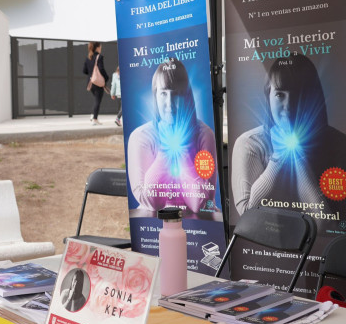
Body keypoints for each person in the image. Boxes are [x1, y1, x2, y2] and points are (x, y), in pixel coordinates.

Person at [231, 54, 346, 216]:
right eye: (279, 94)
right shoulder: (250, 144)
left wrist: (296, 154)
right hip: (266, 240)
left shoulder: (339, 143)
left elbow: (326, 224)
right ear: (268, 95)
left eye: (298, 94)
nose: (289, 105)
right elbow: (247, 214)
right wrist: (278, 157)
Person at [127, 58, 217, 214]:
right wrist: (166, 150)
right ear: (155, 96)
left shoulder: (205, 135)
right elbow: (151, 201)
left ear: (187, 96)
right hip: (153, 224)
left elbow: (201, 203)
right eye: (163, 93)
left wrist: (183, 146)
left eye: (176, 94)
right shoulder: (140, 137)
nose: (169, 102)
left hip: (200, 228)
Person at [82, 41, 109, 125]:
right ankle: (95, 119)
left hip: (90, 82)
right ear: (97, 47)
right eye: (100, 47)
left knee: (96, 100)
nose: (101, 48)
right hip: (97, 83)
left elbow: (84, 71)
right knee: (98, 100)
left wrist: (91, 73)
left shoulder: (88, 58)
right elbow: (101, 69)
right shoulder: (99, 57)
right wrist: (106, 78)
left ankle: (93, 115)